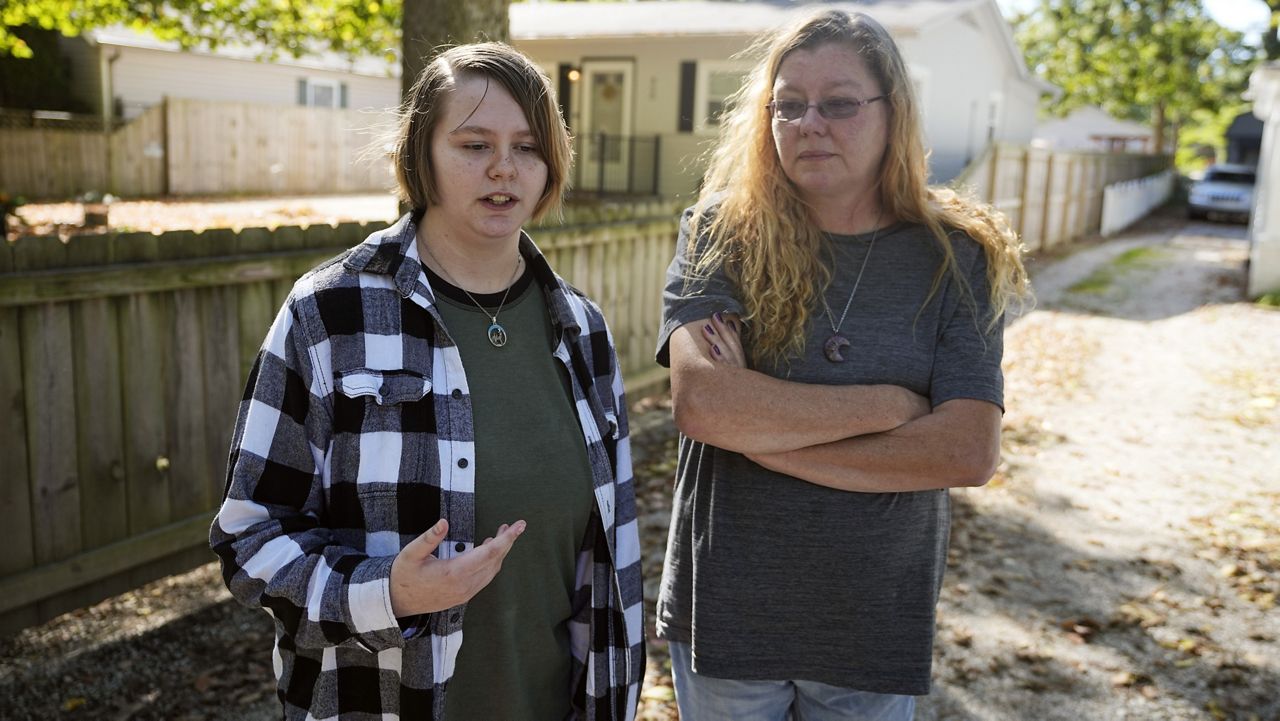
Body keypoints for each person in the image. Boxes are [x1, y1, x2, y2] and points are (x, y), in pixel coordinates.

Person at [210, 42, 643, 721]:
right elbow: (250, 536)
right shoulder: (327, 313)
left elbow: (614, 564)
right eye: (474, 144)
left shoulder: (582, 333)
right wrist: (391, 594)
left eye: (528, 147)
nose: (504, 167)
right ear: (422, 156)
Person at [655, 9, 1030, 720]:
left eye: (839, 103)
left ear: (895, 113)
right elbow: (705, 406)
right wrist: (889, 407)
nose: (808, 123)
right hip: (730, 612)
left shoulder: (958, 257)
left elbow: (967, 448)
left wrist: (761, 434)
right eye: (788, 105)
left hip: (872, 620)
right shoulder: (719, 236)